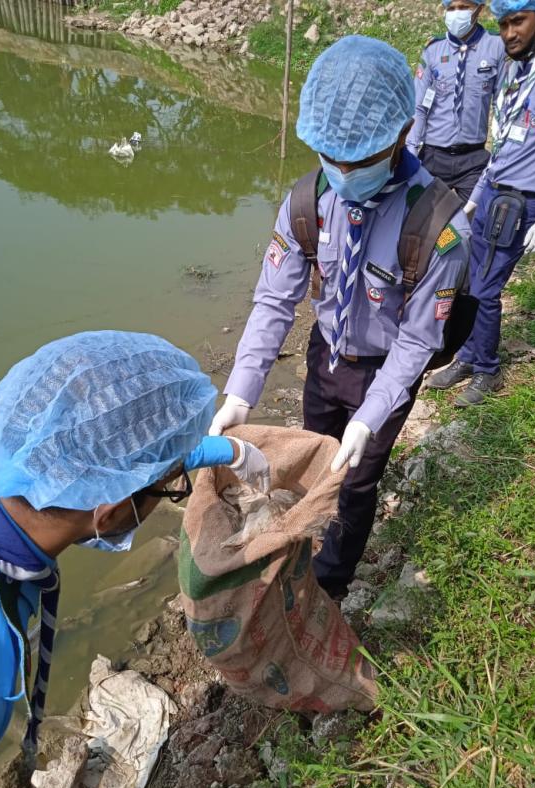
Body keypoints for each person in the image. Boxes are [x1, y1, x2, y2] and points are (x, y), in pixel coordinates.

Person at [209, 37, 471, 601]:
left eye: (360, 159)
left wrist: (372, 415)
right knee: (308, 467)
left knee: (354, 482)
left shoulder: (439, 228)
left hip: (386, 374)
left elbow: (419, 339)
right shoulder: (308, 200)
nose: (344, 171)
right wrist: (240, 391)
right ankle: (298, 556)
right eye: (333, 157)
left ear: (401, 132)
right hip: (325, 359)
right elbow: (275, 302)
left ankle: (329, 589)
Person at [0, 331, 270, 788]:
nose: (170, 489)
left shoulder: (3, 470)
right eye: (166, 490)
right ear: (109, 513)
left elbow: (100, 453)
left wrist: (229, 450)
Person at [427, 0, 535, 405]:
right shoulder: (515, 67)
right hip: (494, 190)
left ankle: (487, 369)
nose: (510, 33)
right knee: (473, 278)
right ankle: (470, 355)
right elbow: (504, 142)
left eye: (519, 22)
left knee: (486, 289)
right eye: (504, 23)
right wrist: (476, 197)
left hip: (522, 201)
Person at [407, 0, 506, 202]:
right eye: (451, 8)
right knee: (427, 223)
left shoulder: (496, 47)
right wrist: (411, 148)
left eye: (464, 7)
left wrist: (501, 152)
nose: (456, 13)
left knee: (470, 223)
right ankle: (443, 236)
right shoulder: (433, 50)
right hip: (434, 156)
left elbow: (503, 104)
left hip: (474, 159)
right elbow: (419, 106)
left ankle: (455, 235)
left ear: (479, 9)